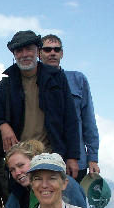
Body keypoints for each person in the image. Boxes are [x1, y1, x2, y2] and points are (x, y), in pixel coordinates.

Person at [0, 30, 80, 180]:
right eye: (19, 50)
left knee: (54, 199)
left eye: (29, 49)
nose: (25, 54)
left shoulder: (57, 78)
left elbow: (70, 118)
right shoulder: (6, 84)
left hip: (51, 154)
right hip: (20, 159)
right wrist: (3, 126)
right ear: (14, 54)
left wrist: (72, 157)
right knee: (21, 202)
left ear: (37, 51)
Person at [39, 34, 100, 183]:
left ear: (62, 53)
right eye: (47, 49)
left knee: (74, 205)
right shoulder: (32, 82)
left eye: (56, 49)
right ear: (39, 54)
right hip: (42, 158)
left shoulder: (78, 79)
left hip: (75, 161)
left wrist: (93, 158)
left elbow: (88, 120)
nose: (52, 53)